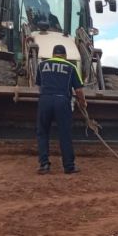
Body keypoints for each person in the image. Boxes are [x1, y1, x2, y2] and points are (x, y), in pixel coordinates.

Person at [35, 44, 85, 174]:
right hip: (62, 101)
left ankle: (44, 165)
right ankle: (69, 166)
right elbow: (78, 90)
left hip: (45, 100)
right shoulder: (71, 67)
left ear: (53, 54)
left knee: (43, 133)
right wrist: (82, 102)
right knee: (65, 134)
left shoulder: (41, 66)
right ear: (65, 56)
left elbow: (39, 87)